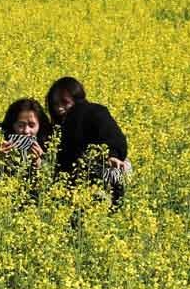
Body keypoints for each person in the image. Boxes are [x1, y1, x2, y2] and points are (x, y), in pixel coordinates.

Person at [45, 77, 130, 208]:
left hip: (100, 172)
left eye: (65, 102)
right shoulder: (56, 127)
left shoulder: (94, 112)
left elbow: (112, 135)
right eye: (55, 104)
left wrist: (112, 155)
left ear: (77, 98)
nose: (60, 108)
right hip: (72, 185)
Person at [0, 98, 54, 199]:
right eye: (20, 125)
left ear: (40, 126)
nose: (26, 131)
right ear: (12, 125)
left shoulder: (50, 145)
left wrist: (40, 162)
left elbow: (51, 186)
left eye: (32, 125)